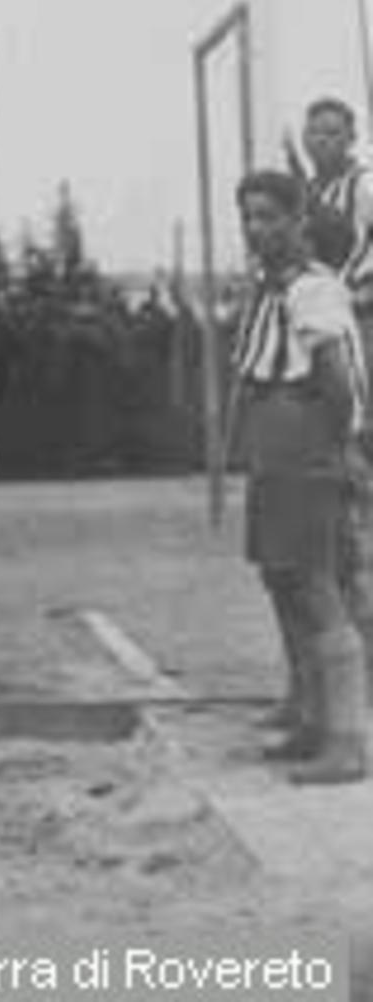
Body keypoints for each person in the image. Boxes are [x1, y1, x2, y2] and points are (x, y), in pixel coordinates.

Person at [232, 168, 368, 785]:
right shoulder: (269, 288)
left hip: (308, 448)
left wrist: (336, 451)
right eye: (248, 217)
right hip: (273, 450)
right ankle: (312, 717)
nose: (256, 228)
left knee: (318, 586)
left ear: (297, 220)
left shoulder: (313, 288)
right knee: (281, 578)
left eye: (268, 216)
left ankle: (349, 741)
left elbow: (336, 382)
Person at [300, 96, 373, 703]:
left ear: (350, 138)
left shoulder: (362, 186)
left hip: (357, 314)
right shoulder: (309, 191)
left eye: (332, 132)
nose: (321, 140)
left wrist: (344, 293)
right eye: (314, 131)